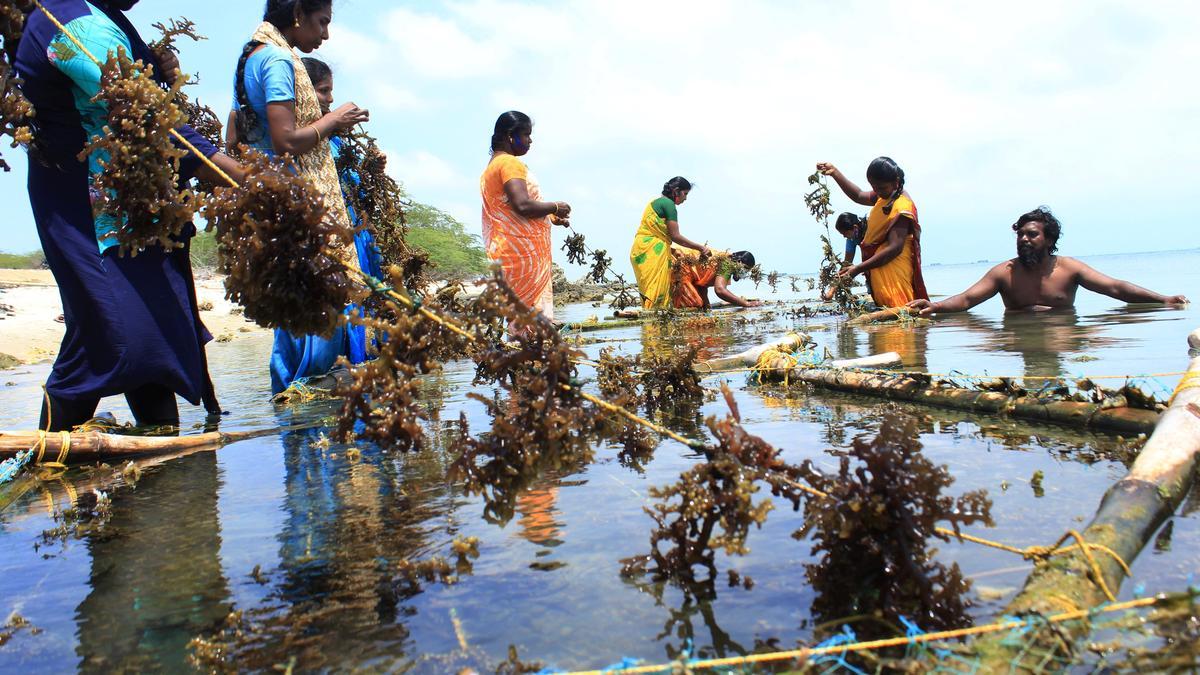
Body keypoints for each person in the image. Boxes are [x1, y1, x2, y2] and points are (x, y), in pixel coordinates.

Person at [15, 0, 246, 431]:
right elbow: (152, 114)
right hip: (89, 211)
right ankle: (48, 456)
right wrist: (231, 173)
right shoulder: (71, 23)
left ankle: (170, 471)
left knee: (155, 337)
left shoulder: (104, 15)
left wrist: (165, 70)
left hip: (137, 211)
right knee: (115, 336)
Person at [228, 0, 373, 394]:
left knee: (300, 304)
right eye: (322, 22)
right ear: (297, 15)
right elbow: (286, 140)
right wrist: (333, 120)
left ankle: (297, 419)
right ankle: (310, 404)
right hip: (300, 206)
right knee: (319, 305)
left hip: (282, 206)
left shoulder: (252, 56)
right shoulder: (275, 60)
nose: (325, 34)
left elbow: (239, 134)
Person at [907, 207, 1188, 315]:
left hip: (1062, 335)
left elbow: (1116, 289)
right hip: (1018, 336)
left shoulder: (1069, 269)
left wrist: (1163, 300)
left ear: (1050, 240)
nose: (1024, 240)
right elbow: (968, 300)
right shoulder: (1004, 273)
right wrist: (936, 306)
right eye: (1020, 235)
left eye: (1032, 235)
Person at [479, 110, 571, 320]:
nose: (530, 141)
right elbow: (522, 205)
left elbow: (510, 208)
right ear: (511, 136)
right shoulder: (510, 163)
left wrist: (549, 216)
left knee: (520, 324)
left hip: (506, 251)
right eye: (526, 135)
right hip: (523, 256)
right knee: (533, 323)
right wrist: (555, 207)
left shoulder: (492, 166)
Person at [815, 158, 929, 308]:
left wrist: (858, 268)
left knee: (901, 318)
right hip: (879, 278)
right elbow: (858, 195)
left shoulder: (902, 206)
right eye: (874, 187)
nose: (877, 191)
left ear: (896, 182)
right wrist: (835, 173)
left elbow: (895, 248)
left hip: (895, 279)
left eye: (881, 187)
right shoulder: (884, 196)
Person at [631, 177, 712, 309]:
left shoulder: (654, 202)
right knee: (657, 291)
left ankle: (650, 322)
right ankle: (654, 324)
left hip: (640, 249)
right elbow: (675, 236)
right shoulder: (669, 205)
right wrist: (700, 248)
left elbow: (659, 233)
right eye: (685, 194)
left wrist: (673, 250)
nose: (685, 198)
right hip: (653, 250)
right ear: (676, 191)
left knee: (649, 290)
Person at [672, 249, 762, 309]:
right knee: (693, 304)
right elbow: (720, 290)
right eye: (745, 268)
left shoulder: (725, 262)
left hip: (685, 271)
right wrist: (746, 304)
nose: (745, 272)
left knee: (702, 305)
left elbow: (701, 285)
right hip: (680, 270)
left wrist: (707, 307)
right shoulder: (728, 264)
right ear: (739, 262)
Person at [822, 212, 866, 302]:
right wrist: (831, 292)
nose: (844, 236)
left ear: (855, 228)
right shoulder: (851, 239)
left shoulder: (870, 230)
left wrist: (859, 268)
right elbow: (846, 265)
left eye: (845, 233)